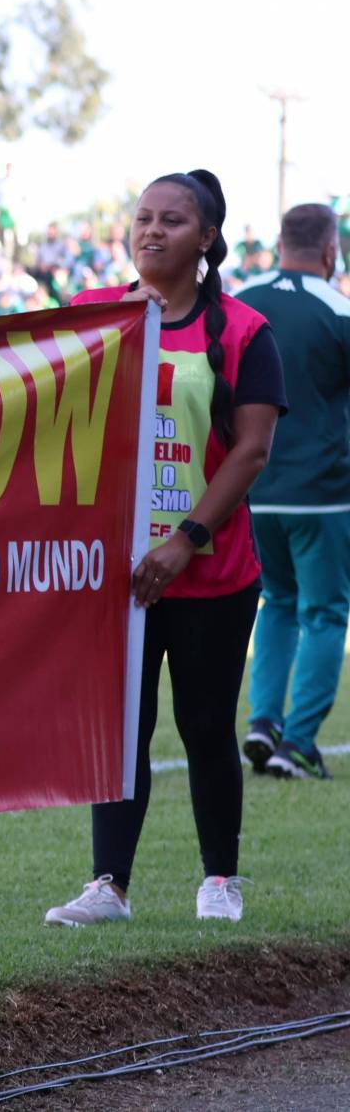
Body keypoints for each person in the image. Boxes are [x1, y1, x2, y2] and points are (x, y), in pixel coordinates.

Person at [46, 170, 284, 928]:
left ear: (206, 237)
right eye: (142, 217)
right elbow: (36, 406)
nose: (151, 230)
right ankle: (108, 885)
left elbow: (250, 452)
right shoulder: (89, 317)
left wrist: (184, 541)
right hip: (114, 575)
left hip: (209, 571)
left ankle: (220, 878)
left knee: (208, 725)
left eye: (172, 220)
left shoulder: (246, 331)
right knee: (119, 725)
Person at [234, 203, 349, 780]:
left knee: (276, 604)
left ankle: (264, 722)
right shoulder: (339, 309)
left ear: (280, 244)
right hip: (323, 493)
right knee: (325, 612)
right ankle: (298, 742)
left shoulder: (242, 301)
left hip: (252, 487)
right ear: (331, 251)